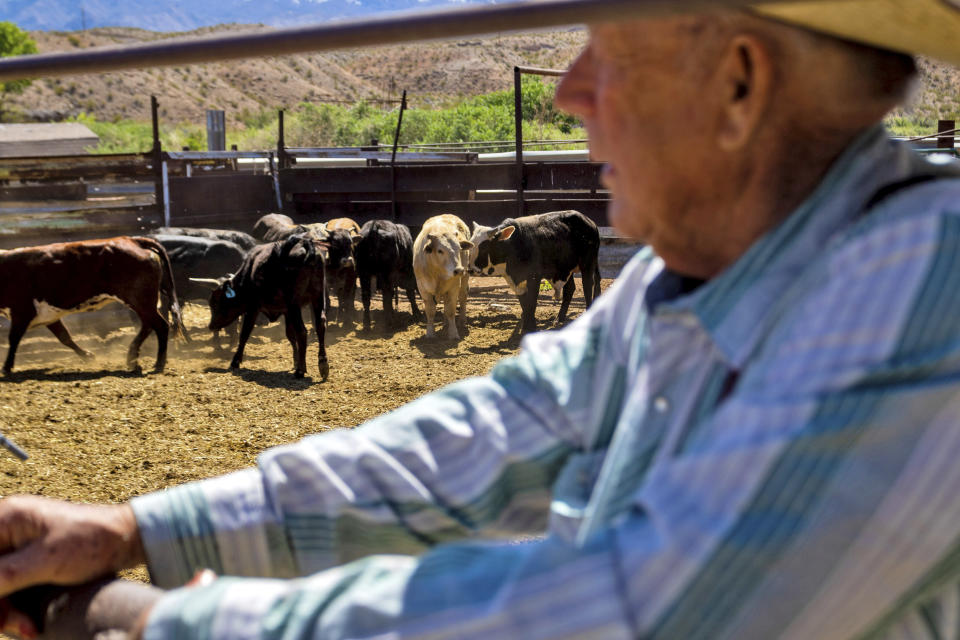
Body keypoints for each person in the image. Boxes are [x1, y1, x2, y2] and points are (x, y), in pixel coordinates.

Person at [2, 4, 960, 639]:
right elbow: (495, 432)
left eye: (608, 52)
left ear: (740, 85)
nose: (567, 90)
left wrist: (146, 617)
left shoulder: (926, 283)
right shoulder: (699, 270)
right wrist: (139, 526)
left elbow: (630, 616)